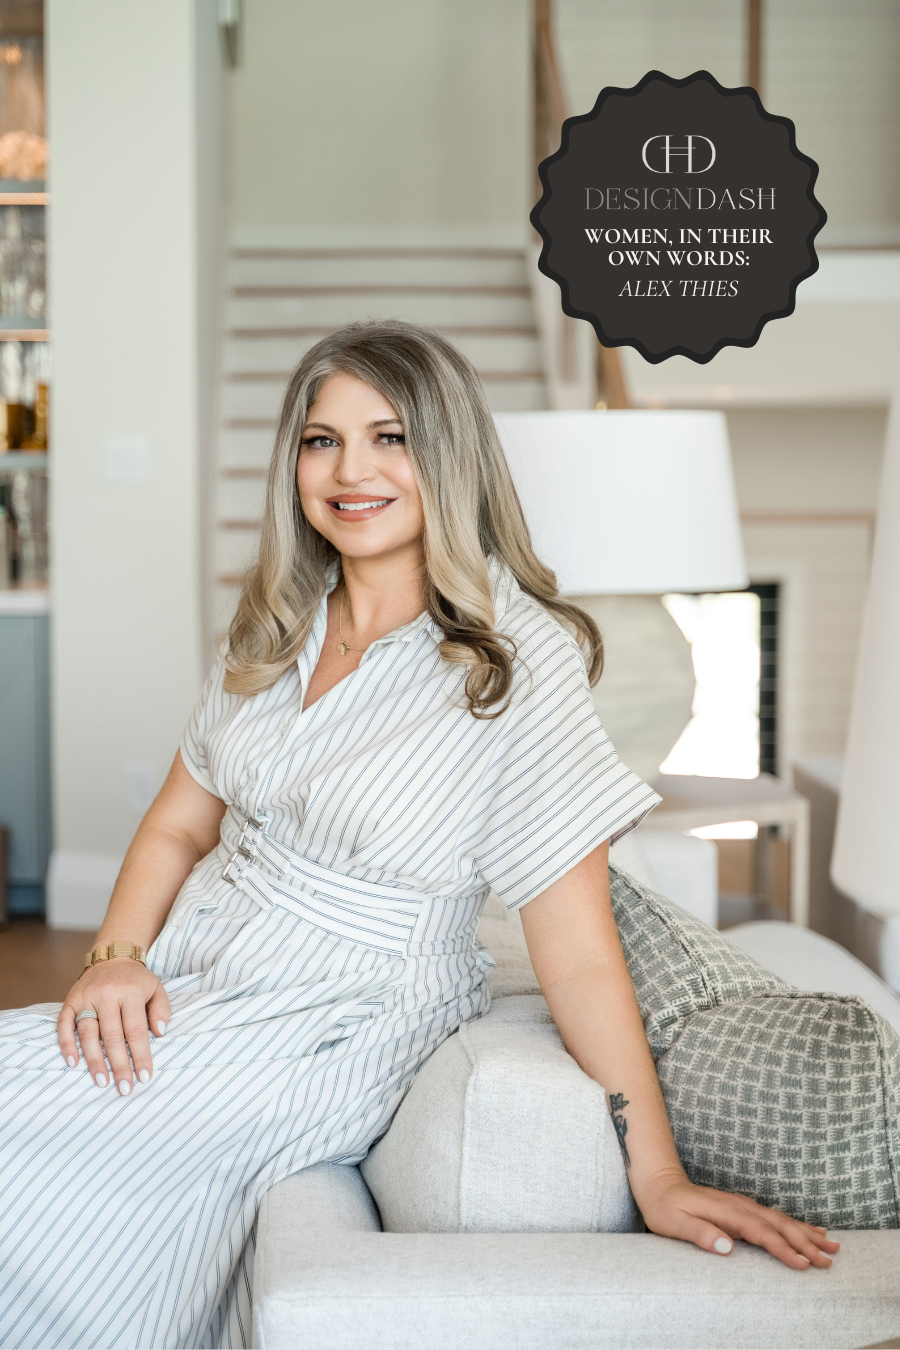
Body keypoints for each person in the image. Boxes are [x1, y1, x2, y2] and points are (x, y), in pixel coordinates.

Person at [0, 321, 838, 1350]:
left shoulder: (516, 659)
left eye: (390, 437)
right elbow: (179, 823)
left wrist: (656, 1173)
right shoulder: (276, 619)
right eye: (321, 441)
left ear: (449, 454)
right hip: (198, 968)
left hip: (335, 1015)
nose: (350, 471)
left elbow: (574, 950)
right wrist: (115, 958)